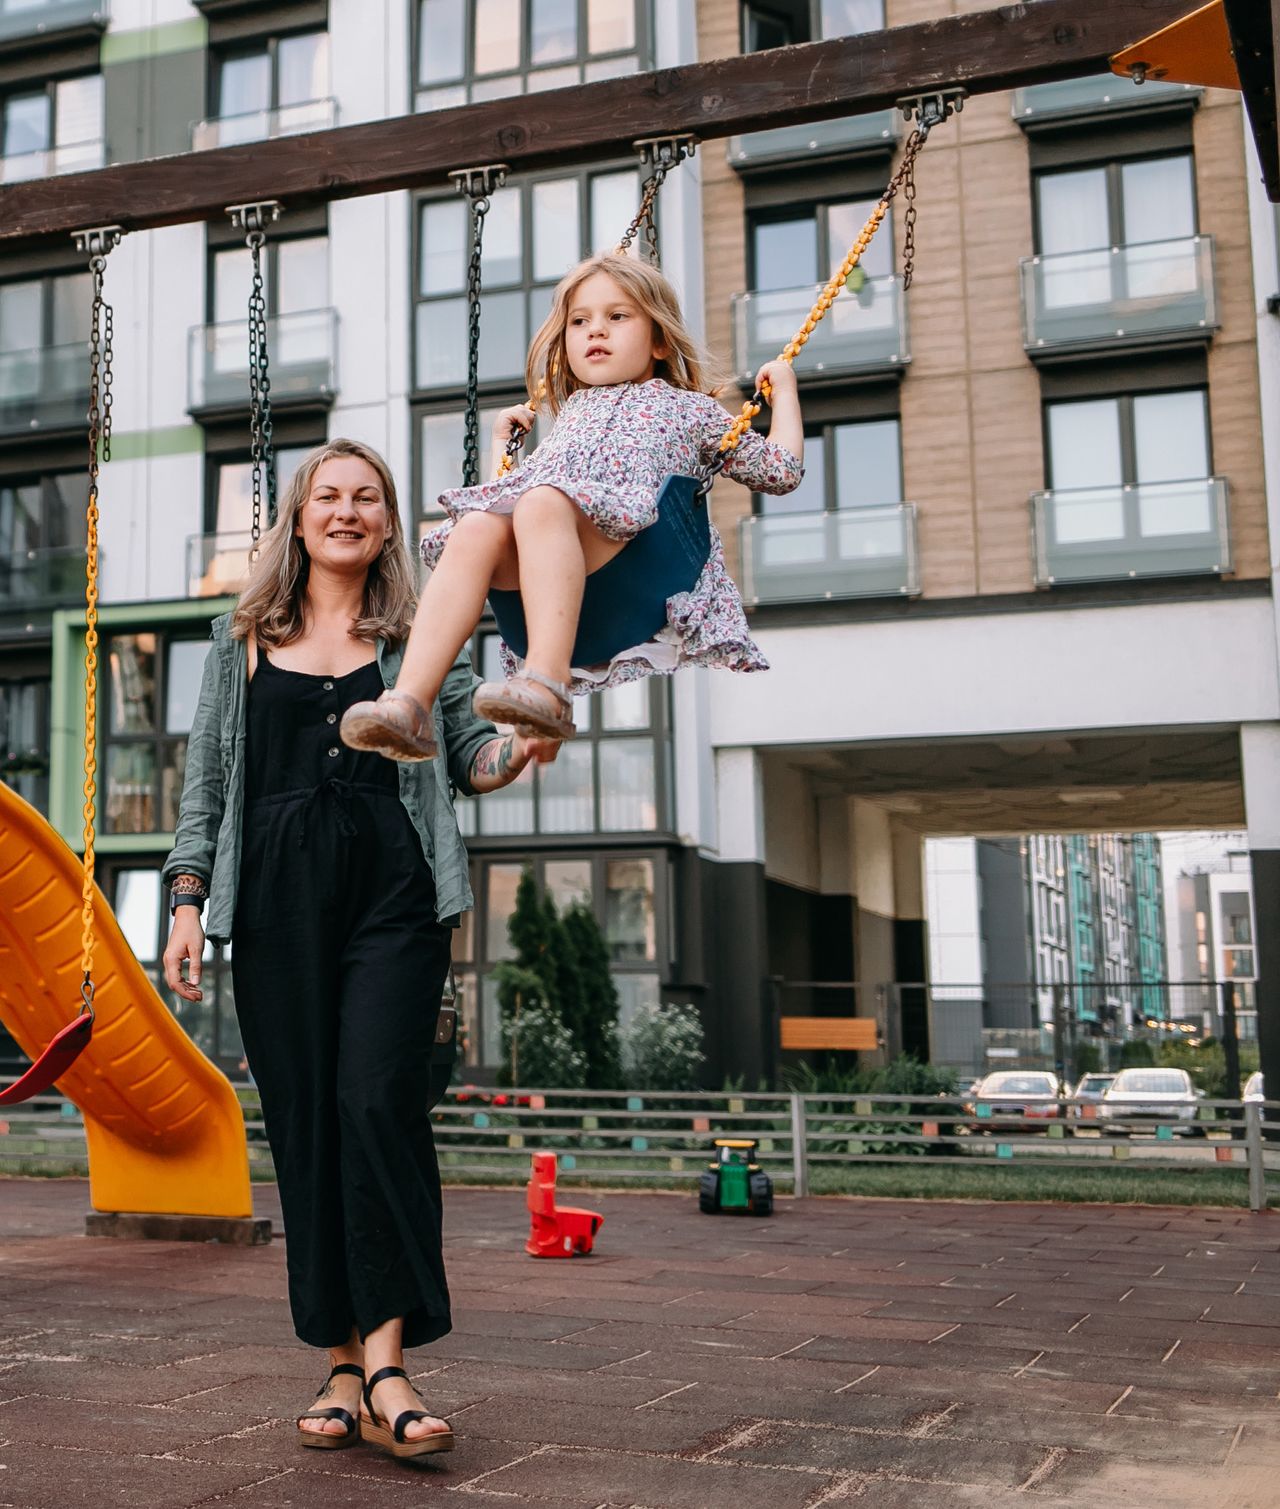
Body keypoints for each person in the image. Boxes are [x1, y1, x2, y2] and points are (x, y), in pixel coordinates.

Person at [160, 439, 537, 1459]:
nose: (346, 510)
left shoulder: (423, 632)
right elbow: (207, 787)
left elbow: (468, 754)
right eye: (327, 495)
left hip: (393, 889)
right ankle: (336, 1360)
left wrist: (520, 745)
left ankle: (388, 1362)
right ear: (296, 517)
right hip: (275, 897)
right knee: (306, 1123)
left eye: (366, 497)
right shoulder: (239, 637)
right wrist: (188, 901)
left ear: (385, 521)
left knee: (377, 1102)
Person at [340, 252, 803, 763]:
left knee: (540, 502)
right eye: (579, 322)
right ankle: (410, 706)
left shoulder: (689, 407)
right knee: (475, 527)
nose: (594, 331)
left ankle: (547, 684)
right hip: (565, 561)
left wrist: (783, 392)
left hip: (637, 557)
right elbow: (513, 504)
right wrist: (503, 450)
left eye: (617, 317)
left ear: (659, 340)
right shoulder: (571, 413)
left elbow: (778, 472)